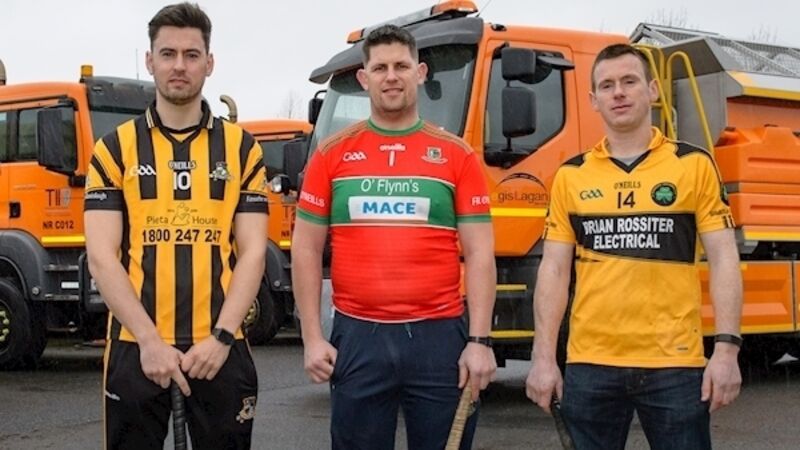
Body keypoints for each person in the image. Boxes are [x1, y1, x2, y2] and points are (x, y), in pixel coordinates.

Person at [525, 43, 743, 449]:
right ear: (593, 100)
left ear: (653, 90)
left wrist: (727, 350)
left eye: (629, 81)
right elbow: (553, 271)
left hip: (675, 364)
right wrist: (543, 357)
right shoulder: (571, 175)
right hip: (590, 364)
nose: (619, 93)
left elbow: (724, 259)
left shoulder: (693, 164)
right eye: (607, 86)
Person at [291, 24, 497, 450]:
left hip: (439, 337)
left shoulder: (457, 154)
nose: (391, 76)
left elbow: (480, 253)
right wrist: (312, 337)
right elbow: (306, 249)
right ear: (363, 78)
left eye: (401, 66)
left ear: (420, 73)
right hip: (358, 336)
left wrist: (479, 341)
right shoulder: (331, 153)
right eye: (380, 68)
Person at [84, 3, 268, 449]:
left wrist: (221, 338)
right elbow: (102, 257)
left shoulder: (242, 149)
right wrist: (149, 341)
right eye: (168, 54)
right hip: (136, 346)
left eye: (191, 54)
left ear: (209, 62)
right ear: (150, 61)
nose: (179, 66)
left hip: (219, 348)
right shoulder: (114, 149)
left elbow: (253, 252)